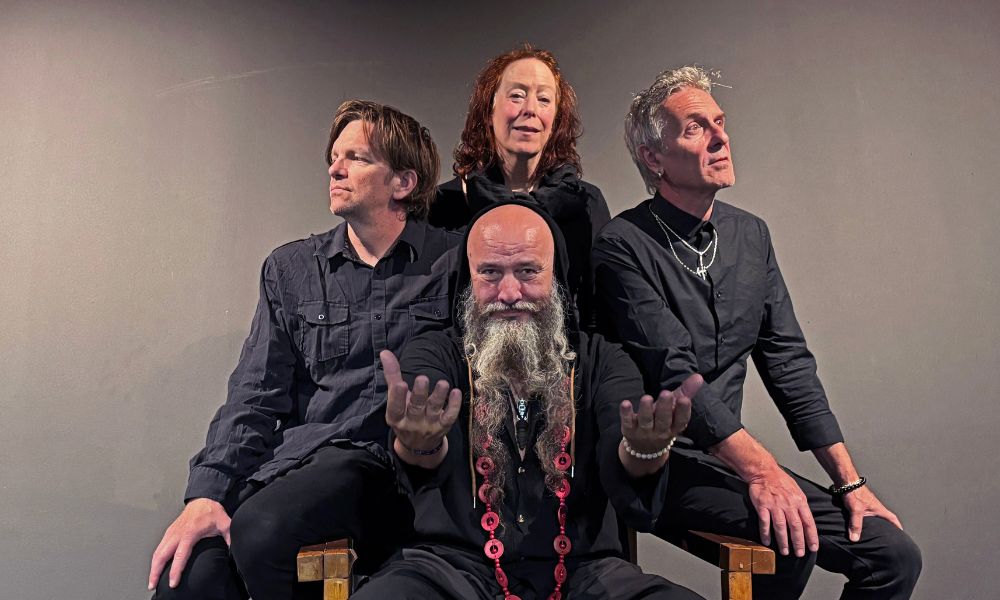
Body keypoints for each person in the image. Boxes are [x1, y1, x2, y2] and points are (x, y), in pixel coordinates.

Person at [592, 66, 921, 598]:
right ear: (653, 158)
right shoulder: (621, 244)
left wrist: (850, 482)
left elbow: (789, 363)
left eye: (719, 123)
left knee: (894, 555)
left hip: (734, 460)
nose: (721, 138)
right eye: (695, 128)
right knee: (791, 539)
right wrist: (764, 473)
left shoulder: (750, 234)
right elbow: (676, 374)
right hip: (658, 466)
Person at [147, 100, 461, 600]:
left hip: (392, 471)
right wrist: (206, 495)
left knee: (263, 529)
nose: (335, 168)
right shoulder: (291, 269)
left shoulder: (454, 262)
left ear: (403, 182)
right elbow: (255, 394)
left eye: (357, 158)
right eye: (334, 157)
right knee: (187, 577)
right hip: (297, 466)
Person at [353, 202, 705, 600]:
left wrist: (645, 450)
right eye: (490, 273)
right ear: (469, 279)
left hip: (585, 573)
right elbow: (420, 459)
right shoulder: (436, 354)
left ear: (556, 277)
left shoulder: (603, 361)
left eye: (527, 272)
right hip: (452, 570)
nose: (508, 293)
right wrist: (420, 443)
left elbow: (620, 451)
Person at [431, 45, 610, 328]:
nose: (530, 109)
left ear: (556, 120)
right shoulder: (443, 204)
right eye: (516, 96)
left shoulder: (587, 203)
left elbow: (599, 312)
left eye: (544, 99)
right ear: (488, 111)